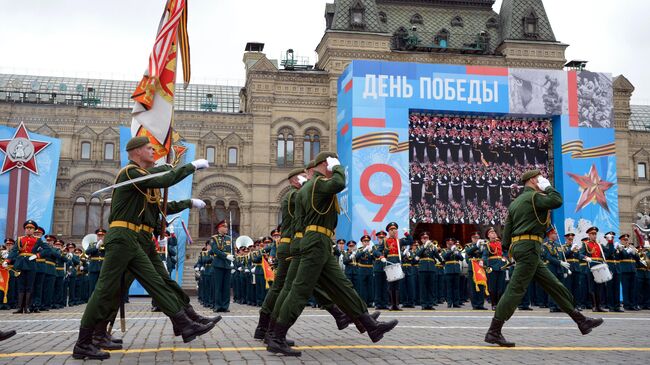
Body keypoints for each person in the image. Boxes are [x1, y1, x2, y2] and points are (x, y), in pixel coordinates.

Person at [72, 136, 216, 360]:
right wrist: (191, 166)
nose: (153, 152)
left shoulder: (142, 177)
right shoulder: (130, 172)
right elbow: (165, 180)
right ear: (137, 151)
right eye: (149, 148)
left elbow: (158, 205)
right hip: (122, 237)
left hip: (133, 238)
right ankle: (83, 342)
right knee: (105, 290)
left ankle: (185, 323)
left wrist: (186, 201)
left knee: (156, 281)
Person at [268, 152, 398, 356]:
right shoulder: (318, 184)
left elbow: (300, 222)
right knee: (299, 291)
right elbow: (339, 183)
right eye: (332, 162)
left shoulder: (305, 189)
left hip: (318, 243)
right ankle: (275, 337)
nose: (335, 167)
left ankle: (370, 325)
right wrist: (337, 167)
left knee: (342, 286)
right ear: (325, 164)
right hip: (316, 242)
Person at [485, 169, 603, 347]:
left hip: (523, 248)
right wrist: (548, 188)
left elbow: (507, 234)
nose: (542, 180)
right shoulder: (534, 197)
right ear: (533, 180)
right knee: (516, 289)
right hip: (530, 247)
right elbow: (557, 200)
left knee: (553, 284)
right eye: (540, 178)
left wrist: (511, 251)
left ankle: (581, 320)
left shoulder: (515, 203)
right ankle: (494, 331)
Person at [8, 220, 46, 314]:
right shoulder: (20, 239)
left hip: (31, 264)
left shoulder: (38, 240)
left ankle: (27, 307)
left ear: (34, 230)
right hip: (21, 264)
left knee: (29, 286)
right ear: (25, 229)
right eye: (27, 228)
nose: (29, 230)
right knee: (21, 286)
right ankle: (20, 307)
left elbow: (47, 250)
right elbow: (14, 251)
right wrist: (7, 260)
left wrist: (37, 255)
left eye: (31, 228)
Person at [581, 227, 607, 312]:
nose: (594, 235)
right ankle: (594, 306)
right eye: (592, 234)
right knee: (592, 287)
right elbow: (580, 254)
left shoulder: (599, 245)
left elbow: (609, 252)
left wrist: (610, 242)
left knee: (599, 287)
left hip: (599, 266)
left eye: (595, 234)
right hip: (591, 266)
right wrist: (586, 257)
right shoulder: (585, 244)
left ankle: (600, 306)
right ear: (589, 235)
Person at [416, 233, 442, 310]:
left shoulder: (432, 248)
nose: (426, 240)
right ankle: (424, 304)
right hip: (423, 268)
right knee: (423, 287)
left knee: (431, 287)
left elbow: (438, 256)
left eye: (427, 238)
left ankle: (430, 304)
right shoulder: (419, 247)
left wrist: (443, 261)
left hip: (431, 268)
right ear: (421, 240)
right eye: (424, 238)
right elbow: (417, 255)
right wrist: (424, 247)